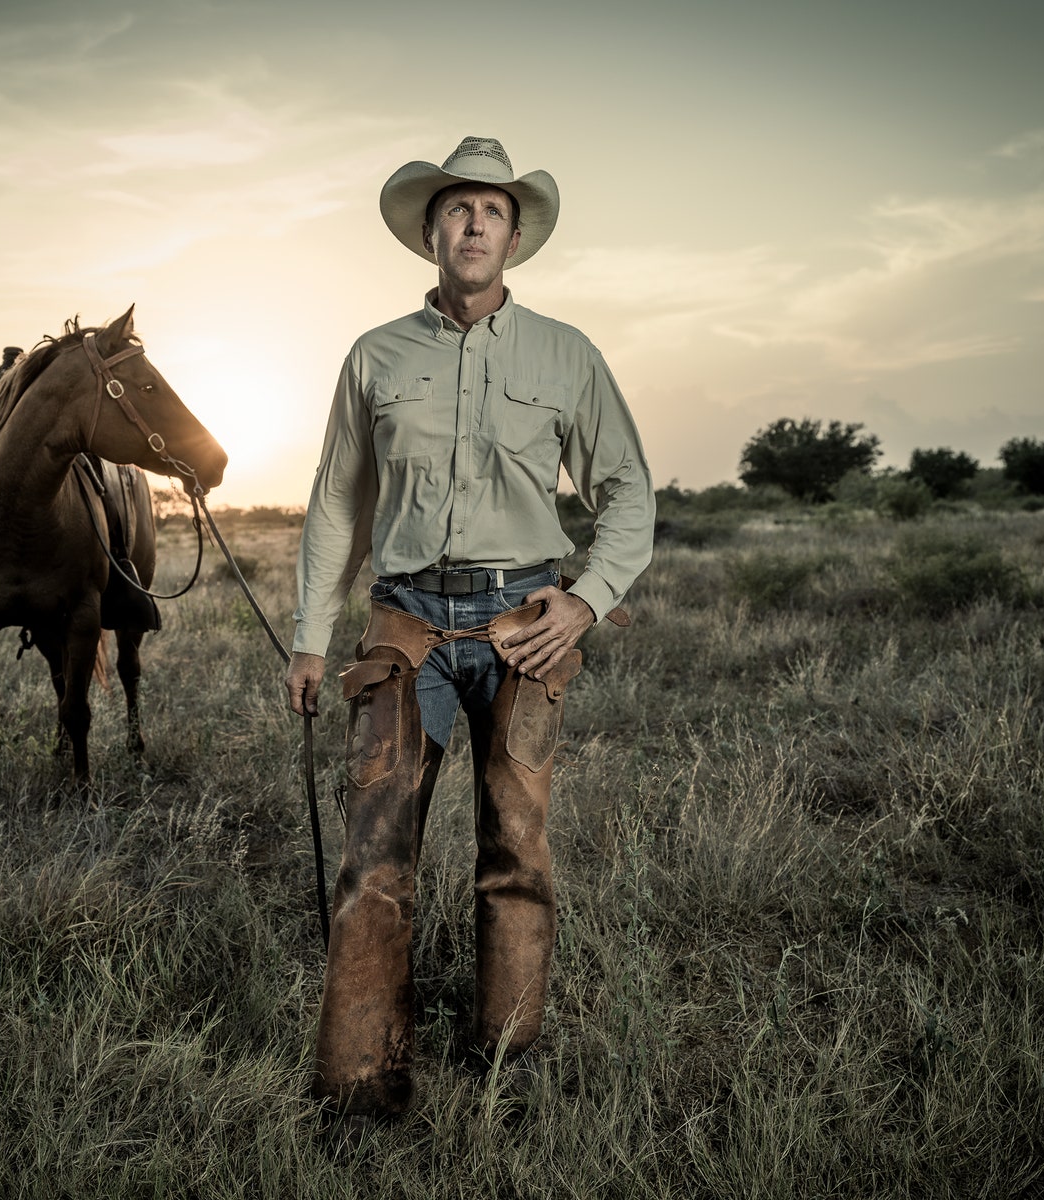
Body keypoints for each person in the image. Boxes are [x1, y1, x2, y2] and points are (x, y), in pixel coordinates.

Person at [285, 136, 656, 1119]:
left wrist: (586, 600)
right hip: (404, 627)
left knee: (516, 846)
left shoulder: (566, 354)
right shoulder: (375, 356)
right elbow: (336, 505)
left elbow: (626, 490)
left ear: (516, 234)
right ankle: (362, 1086)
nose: (475, 222)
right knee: (375, 849)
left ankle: (508, 1064)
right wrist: (311, 639)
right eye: (456, 208)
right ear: (428, 232)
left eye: (492, 209)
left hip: (525, 625)